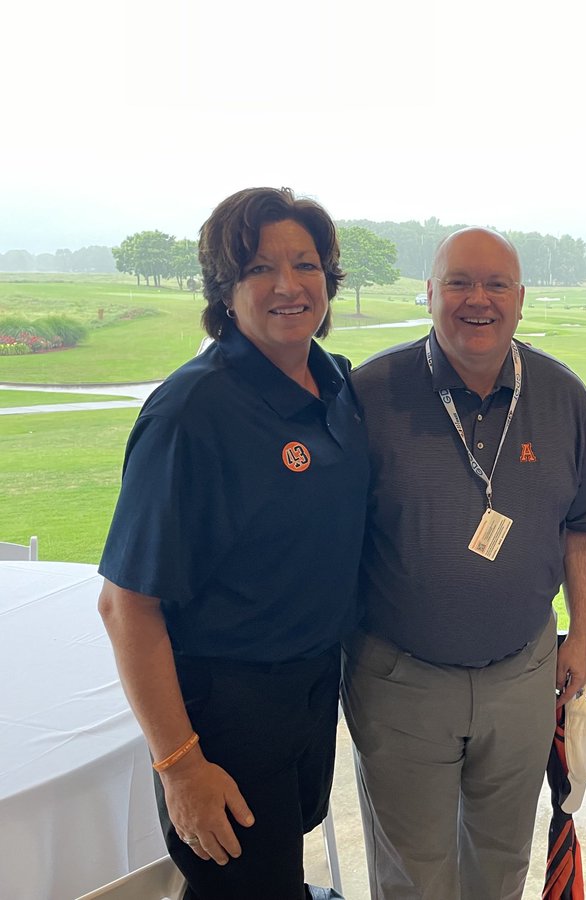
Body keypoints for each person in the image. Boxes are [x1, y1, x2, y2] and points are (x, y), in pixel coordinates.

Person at [97, 187, 368, 899]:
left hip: (311, 689)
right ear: (224, 290)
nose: (287, 285)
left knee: (272, 877)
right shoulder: (191, 413)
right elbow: (125, 607)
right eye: (258, 269)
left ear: (329, 280)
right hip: (224, 711)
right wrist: (181, 766)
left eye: (306, 265)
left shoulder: (334, 383)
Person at [343, 226, 586, 900]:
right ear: (430, 294)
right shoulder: (371, 394)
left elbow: (580, 525)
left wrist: (583, 634)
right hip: (402, 679)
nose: (477, 300)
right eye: (459, 282)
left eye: (495, 285)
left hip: (522, 673)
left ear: (520, 300)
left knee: (501, 863)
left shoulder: (562, 396)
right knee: (413, 877)